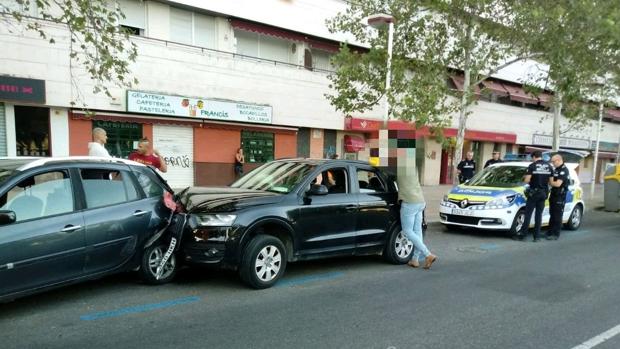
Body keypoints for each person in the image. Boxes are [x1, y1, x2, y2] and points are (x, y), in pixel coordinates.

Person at [397, 157, 437, 269]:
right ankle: (415, 259)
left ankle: (428, 254)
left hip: (409, 202)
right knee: (417, 231)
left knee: (407, 231)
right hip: (420, 200)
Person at [513, 150, 553, 242]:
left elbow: (527, 180)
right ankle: (537, 237)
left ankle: (523, 235)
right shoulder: (549, 166)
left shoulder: (532, 166)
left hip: (534, 193)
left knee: (528, 214)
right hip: (543, 193)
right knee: (539, 215)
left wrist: (523, 177)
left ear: (534, 157)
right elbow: (551, 182)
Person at [547, 154, 570, 240]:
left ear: (559, 160)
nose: (552, 163)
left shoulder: (564, 170)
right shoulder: (556, 169)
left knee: (557, 215)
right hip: (554, 194)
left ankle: (555, 234)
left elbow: (557, 184)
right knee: (552, 214)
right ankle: (550, 232)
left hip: (560, 195)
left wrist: (550, 181)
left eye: (553, 161)